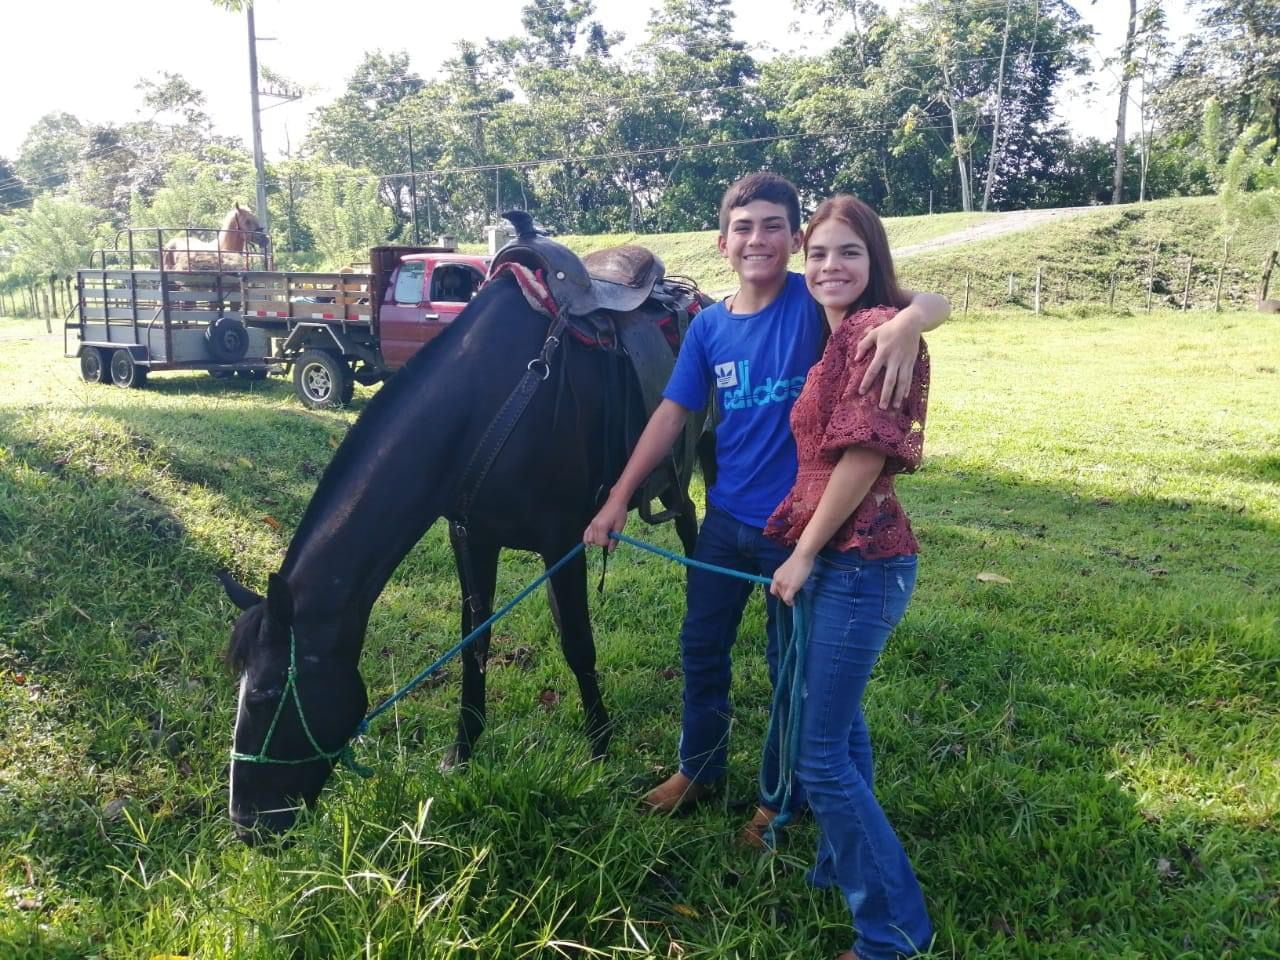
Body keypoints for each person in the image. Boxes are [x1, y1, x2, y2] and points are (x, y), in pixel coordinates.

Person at [582, 173, 948, 845]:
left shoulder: (815, 302)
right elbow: (672, 414)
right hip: (724, 522)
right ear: (723, 244)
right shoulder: (709, 328)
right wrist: (616, 499)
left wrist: (907, 323)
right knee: (701, 648)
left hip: (800, 528)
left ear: (796, 239)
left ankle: (776, 800)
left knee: (789, 669)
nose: (759, 239)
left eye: (775, 226)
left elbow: (932, 298)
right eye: (744, 228)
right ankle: (698, 768)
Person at [765, 194, 933, 960]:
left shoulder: (873, 333)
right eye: (820, 254)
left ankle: (893, 934)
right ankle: (842, 865)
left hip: (859, 563)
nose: (831, 267)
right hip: (845, 558)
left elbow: (864, 457)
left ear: (875, 264)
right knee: (841, 729)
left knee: (820, 756)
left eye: (849, 254)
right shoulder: (847, 334)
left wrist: (802, 553)